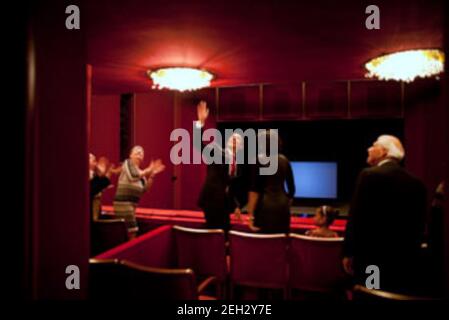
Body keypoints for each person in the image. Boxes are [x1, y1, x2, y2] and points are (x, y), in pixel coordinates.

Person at [342, 135, 427, 294]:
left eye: (373, 145)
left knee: (370, 293)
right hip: (404, 262)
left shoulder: (369, 175)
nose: (369, 149)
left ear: (383, 152)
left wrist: (348, 252)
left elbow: (356, 218)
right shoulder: (417, 183)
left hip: (372, 261)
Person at [195, 101, 249, 230]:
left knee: (225, 234)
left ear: (241, 147)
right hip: (211, 200)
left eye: (238, 139)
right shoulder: (217, 151)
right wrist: (200, 123)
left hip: (224, 205)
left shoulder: (238, 166)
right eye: (232, 137)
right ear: (228, 141)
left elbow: (230, 188)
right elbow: (199, 145)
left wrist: (236, 206)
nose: (234, 139)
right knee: (213, 234)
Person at [246, 131, 295, 234]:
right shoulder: (285, 160)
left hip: (264, 209)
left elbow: (254, 191)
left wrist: (250, 217)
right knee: (280, 244)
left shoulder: (258, 160)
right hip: (282, 208)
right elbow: (292, 190)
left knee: (264, 245)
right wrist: (285, 205)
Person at [113, 146, 165, 238]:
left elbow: (145, 189)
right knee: (133, 231)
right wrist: (148, 170)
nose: (140, 153)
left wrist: (152, 174)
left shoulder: (141, 174)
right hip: (123, 204)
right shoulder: (127, 163)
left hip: (132, 207)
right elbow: (133, 176)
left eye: (141, 152)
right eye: (137, 152)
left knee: (128, 233)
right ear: (130, 155)